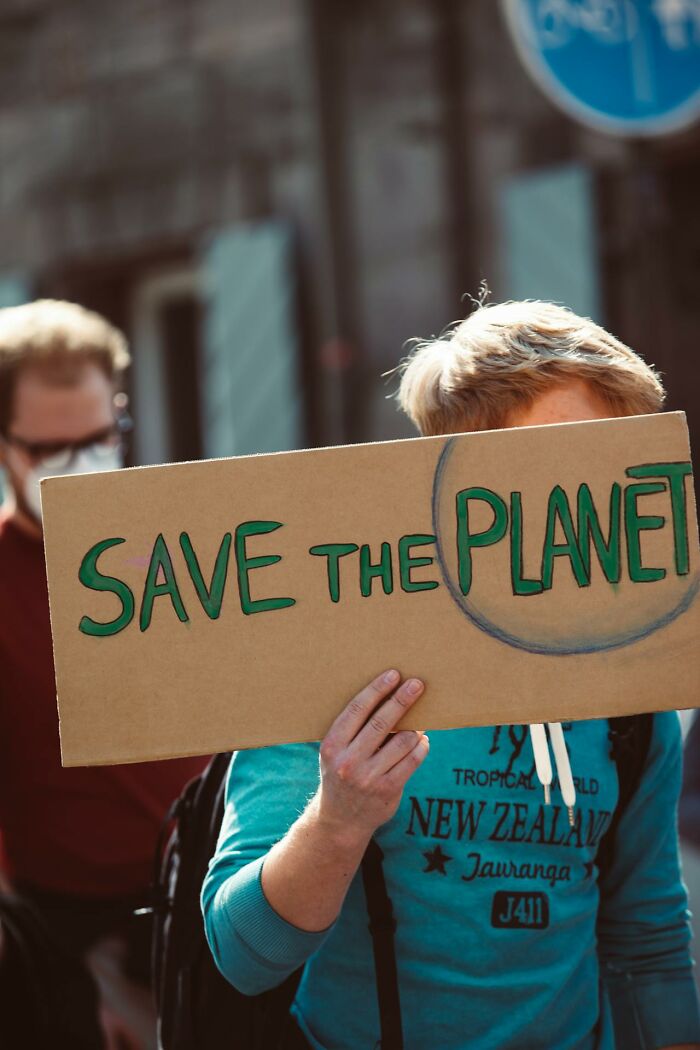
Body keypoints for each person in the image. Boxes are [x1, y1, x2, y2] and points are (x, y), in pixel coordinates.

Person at [202, 300, 700, 1050]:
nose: (592, 499)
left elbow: (649, 940)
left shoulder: (627, 689)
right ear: (448, 477)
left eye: (615, 461)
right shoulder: (330, 664)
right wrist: (339, 821)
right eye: (550, 467)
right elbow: (242, 957)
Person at [0, 300, 208, 1048]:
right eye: (50, 449)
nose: (80, 463)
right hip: (67, 924)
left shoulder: (186, 538)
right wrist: (50, 978)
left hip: (211, 888)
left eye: (98, 438)